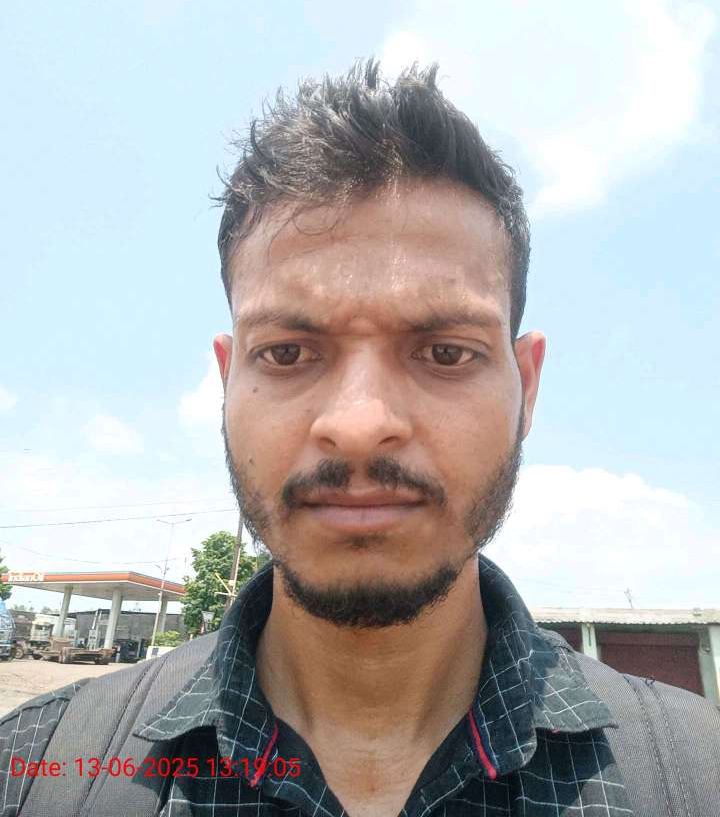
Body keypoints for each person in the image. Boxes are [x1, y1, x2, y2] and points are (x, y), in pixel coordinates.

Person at [1, 60, 718, 816]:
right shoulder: (31, 775)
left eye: (446, 352)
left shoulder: (699, 779)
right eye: (287, 352)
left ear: (526, 388)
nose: (359, 424)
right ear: (227, 381)